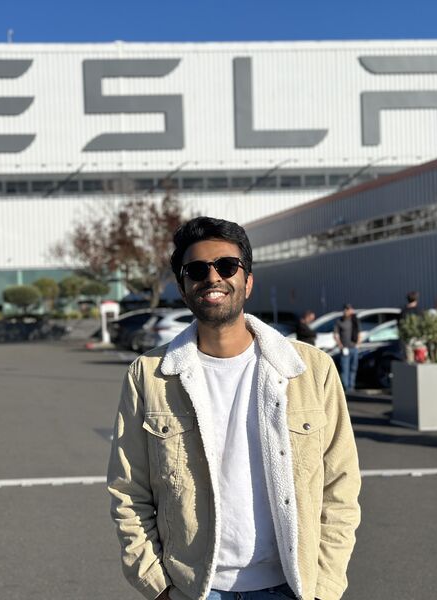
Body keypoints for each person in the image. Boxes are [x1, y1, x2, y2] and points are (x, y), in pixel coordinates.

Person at [107, 217, 361, 600]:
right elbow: (128, 490)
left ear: (248, 281)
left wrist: (323, 589)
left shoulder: (310, 370)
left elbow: (340, 485)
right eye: (196, 270)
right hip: (194, 589)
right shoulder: (149, 376)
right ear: (183, 287)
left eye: (226, 266)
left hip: (293, 587)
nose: (212, 277)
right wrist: (157, 587)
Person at [333, 304, 361, 391]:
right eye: (345, 309)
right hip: (345, 348)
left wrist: (358, 344)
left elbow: (359, 333)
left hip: (354, 347)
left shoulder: (354, 320)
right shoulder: (340, 321)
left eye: (348, 309)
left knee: (353, 367)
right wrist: (340, 345)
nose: (346, 311)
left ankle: (351, 386)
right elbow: (336, 334)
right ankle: (346, 386)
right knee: (345, 368)